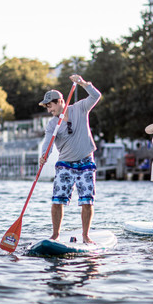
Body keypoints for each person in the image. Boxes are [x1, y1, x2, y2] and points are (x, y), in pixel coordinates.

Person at [39, 74, 101, 243]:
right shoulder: (52, 123)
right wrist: (44, 156)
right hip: (65, 165)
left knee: (87, 201)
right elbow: (47, 143)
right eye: (46, 107)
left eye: (49, 105)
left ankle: (86, 236)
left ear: (59, 101)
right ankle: (55, 235)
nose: (48, 110)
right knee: (57, 200)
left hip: (86, 162)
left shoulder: (79, 108)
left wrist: (83, 83)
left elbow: (96, 96)